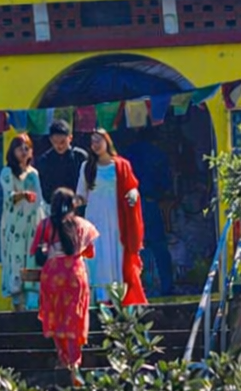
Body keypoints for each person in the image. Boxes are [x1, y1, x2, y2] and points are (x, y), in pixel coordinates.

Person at [31, 187, 99, 385]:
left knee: (56, 318)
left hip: (52, 277)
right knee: (74, 319)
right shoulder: (82, 225)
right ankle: (75, 362)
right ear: (73, 205)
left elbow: (36, 253)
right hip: (75, 276)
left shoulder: (45, 225)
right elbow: (90, 252)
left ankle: (63, 359)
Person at [75, 129, 146, 305]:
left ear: (107, 141)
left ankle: (119, 298)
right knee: (98, 256)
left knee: (116, 253)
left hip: (117, 219)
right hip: (94, 219)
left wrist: (133, 193)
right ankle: (101, 298)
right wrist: (71, 203)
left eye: (99, 140)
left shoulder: (121, 165)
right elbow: (81, 195)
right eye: (93, 141)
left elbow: (132, 186)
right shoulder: (87, 167)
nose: (96, 144)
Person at [123, 132, 175, 296]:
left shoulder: (125, 155)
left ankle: (136, 287)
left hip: (130, 204)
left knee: (134, 248)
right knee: (159, 246)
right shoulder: (157, 153)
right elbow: (165, 181)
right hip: (150, 203)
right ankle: (167, 287)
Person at [0, 133, 46, 311]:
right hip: (14, 226)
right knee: (15, 263)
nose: (23, 151)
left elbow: (40, 199)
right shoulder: (7, 173)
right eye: (20, 148)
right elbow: (8, 196)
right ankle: (17, 306)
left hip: (32, 224)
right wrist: (23, 195)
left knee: (32, 261)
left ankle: (33, 308)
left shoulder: (34, 174)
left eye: (27, 148)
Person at [36, 119, 88, 205]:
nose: (59, 145)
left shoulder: (80, 157)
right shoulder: (44, 160)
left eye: (63, 142)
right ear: (50, 140)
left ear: (70, 138)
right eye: (55, 142)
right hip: (53, 206)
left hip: (78, 205)